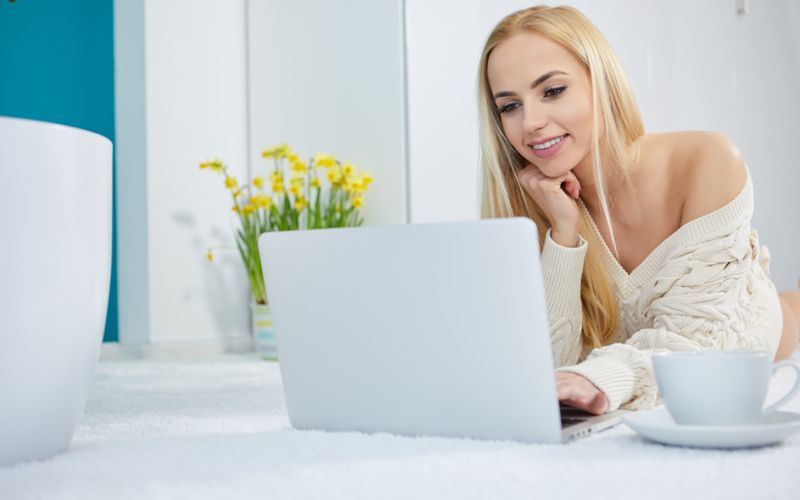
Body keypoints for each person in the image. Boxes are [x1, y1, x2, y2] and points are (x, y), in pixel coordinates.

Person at [477, 5, 800, 415]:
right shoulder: (530, 201)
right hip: (642, 346)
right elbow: (549, 373)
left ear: (603, 82)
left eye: (553, 91)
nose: (531, 123)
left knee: (791, 313)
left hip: (743, 322)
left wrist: (599, 378)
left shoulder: (706, 161)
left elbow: (693, 346)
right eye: (509, 106)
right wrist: (562, 232)